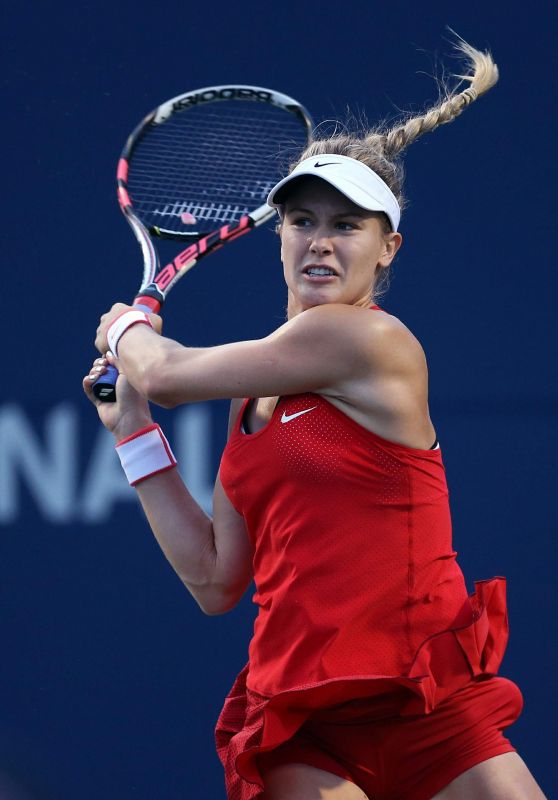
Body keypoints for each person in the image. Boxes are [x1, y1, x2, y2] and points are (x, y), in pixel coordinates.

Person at [84, 36, 546, 800]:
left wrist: (126, 329)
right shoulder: (249, 400)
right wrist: (131, 434)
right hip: (307, 723)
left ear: (386, 248)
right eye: (302, 221)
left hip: (425, 700)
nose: (321, 242)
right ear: (279, 237)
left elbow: (163, 375)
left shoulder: (366, 339)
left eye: (347, 225)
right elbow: (214, 579)